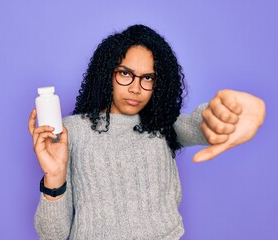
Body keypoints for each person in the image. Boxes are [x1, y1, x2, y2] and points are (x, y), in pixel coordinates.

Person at [28, 25, 265, 239]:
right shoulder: (71, 132)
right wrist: (54, 176)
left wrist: (232, 112)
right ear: (106, 74)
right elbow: (52, 235)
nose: (135, 88)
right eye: (125, 73)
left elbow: (203, 123)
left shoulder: (162, 124)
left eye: (148, 78)